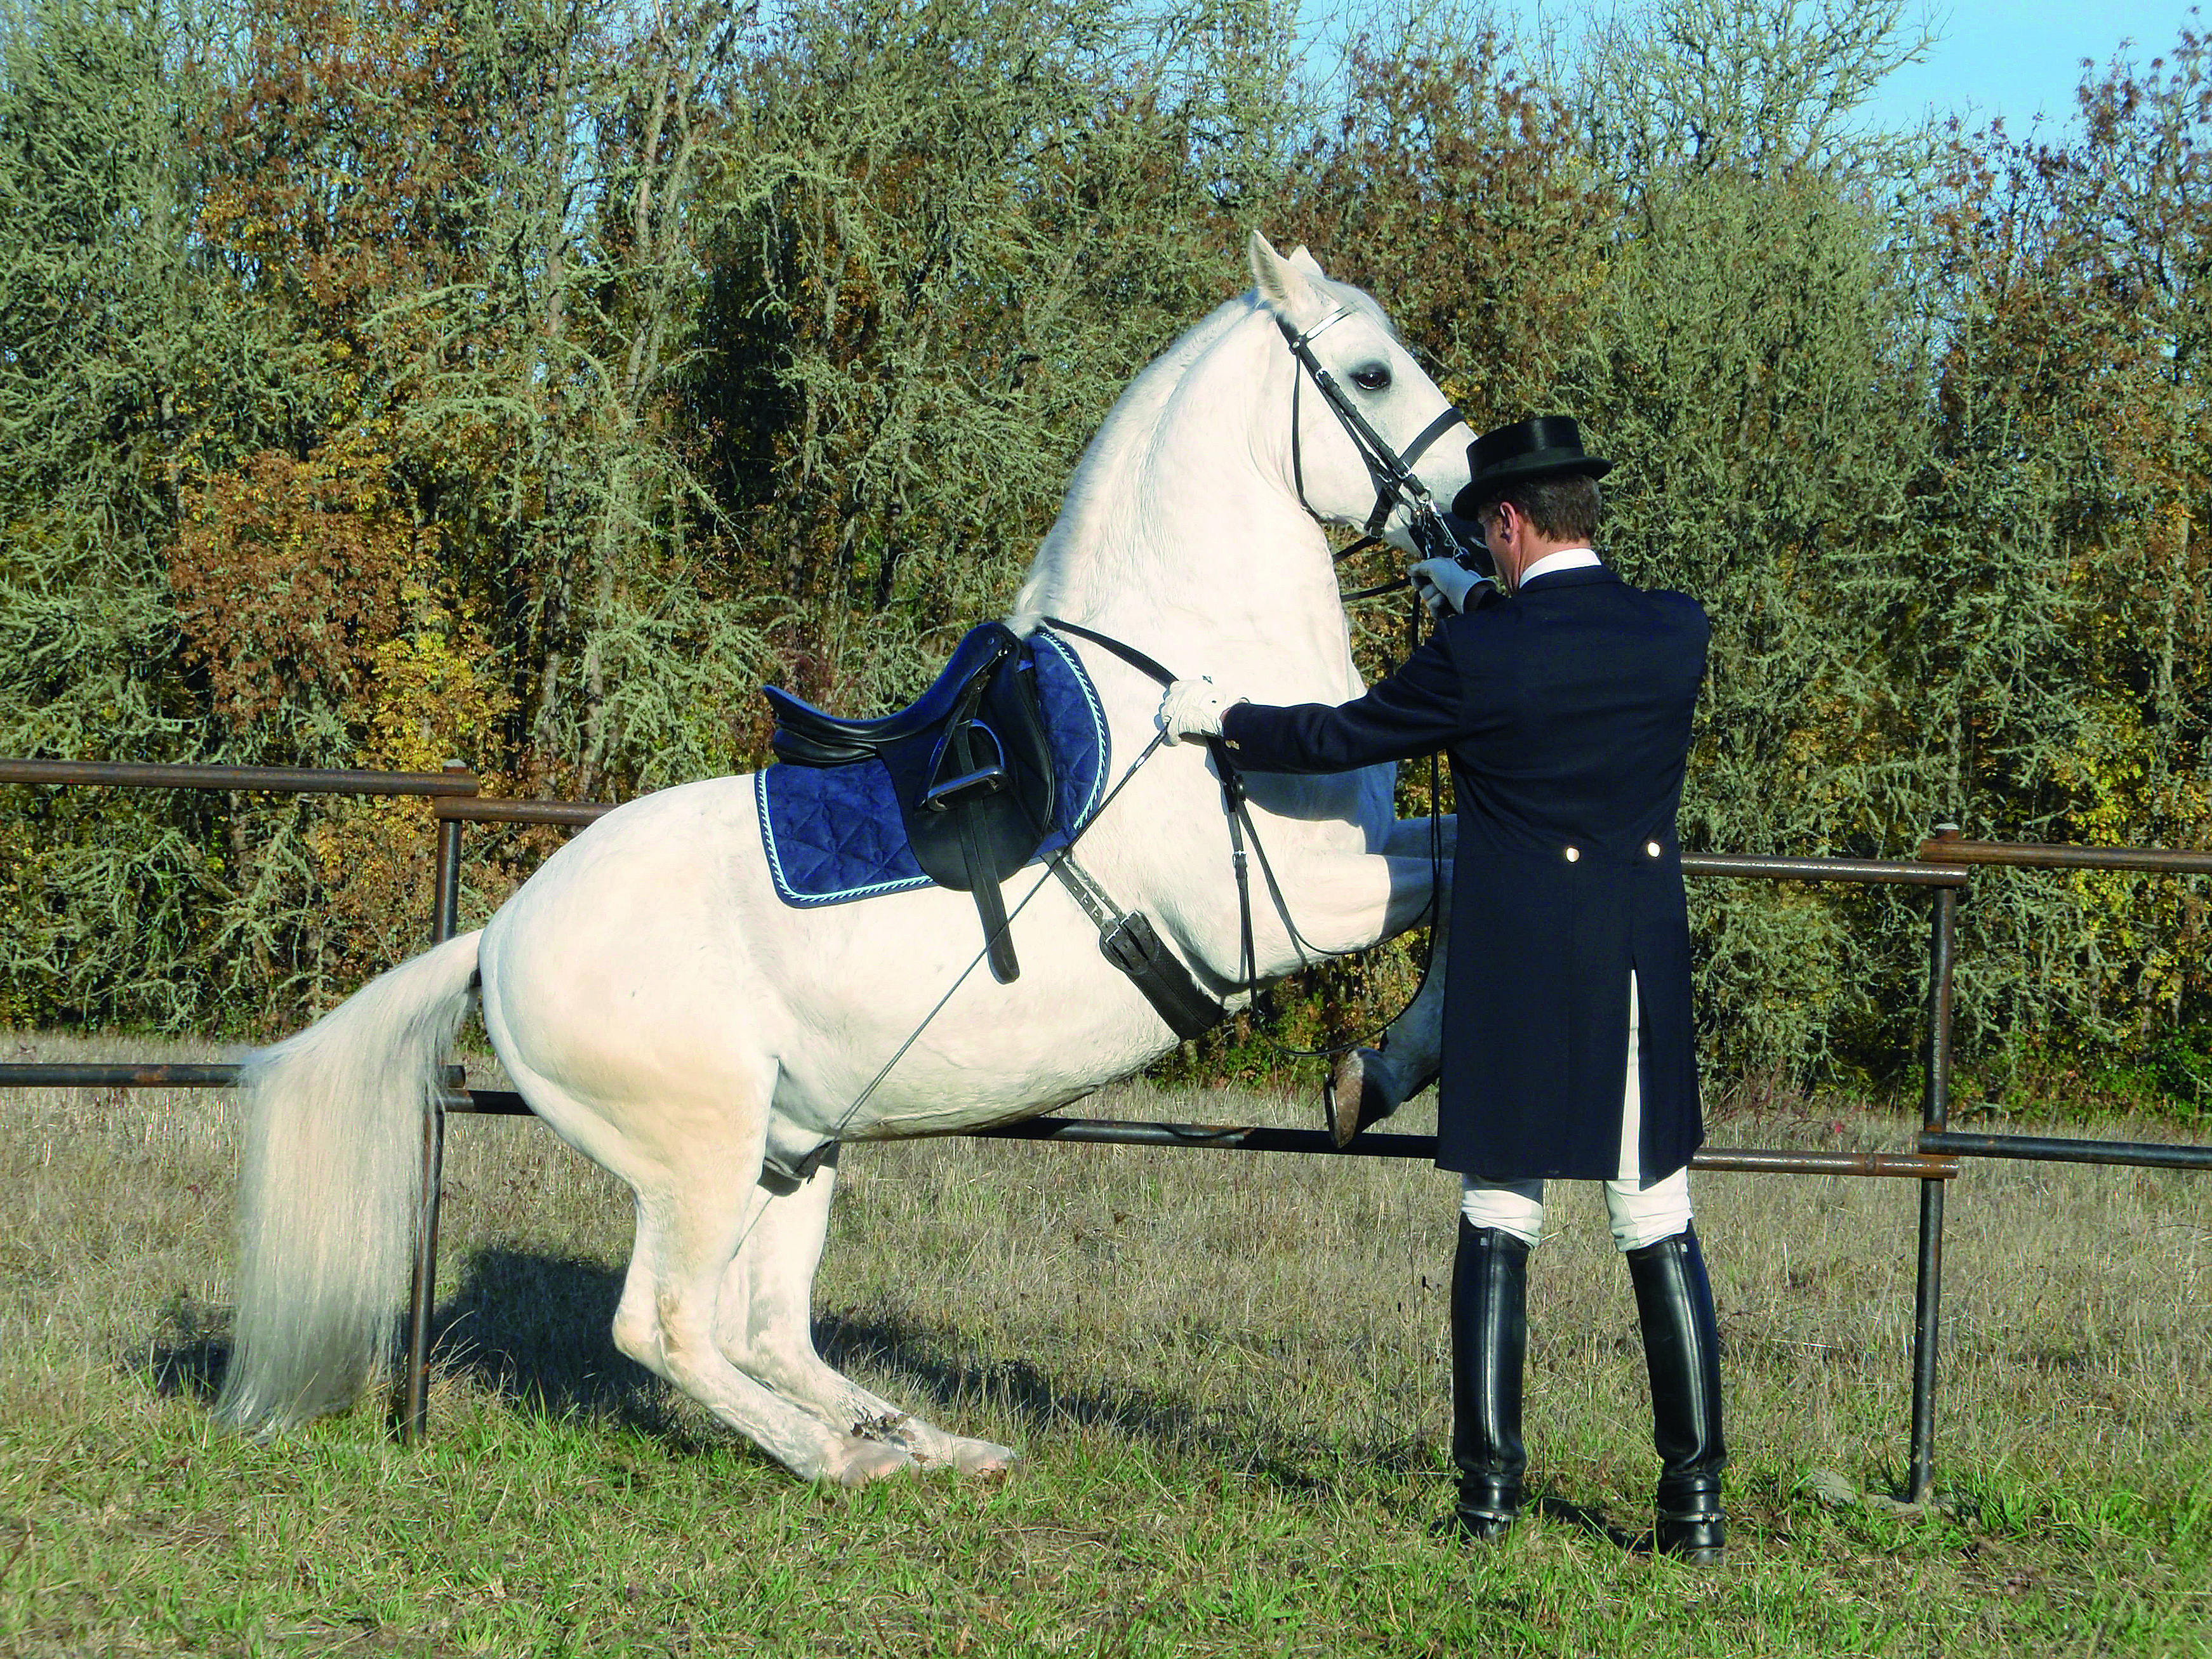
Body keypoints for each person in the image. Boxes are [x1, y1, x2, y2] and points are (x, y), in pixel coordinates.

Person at [1156, 416, 1725, 1561]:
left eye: (1487, 536)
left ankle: (1488, 1503)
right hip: (1633, 967)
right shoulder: (1675, 631)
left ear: (1509, 521)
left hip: (1519, 974)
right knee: (1655, 1219)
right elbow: (1560, 640)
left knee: (1500, 1220)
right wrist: (1475, 591)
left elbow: (1338, 734)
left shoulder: (1483, 657)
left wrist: (1222, 719)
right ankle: (1695, 1509)